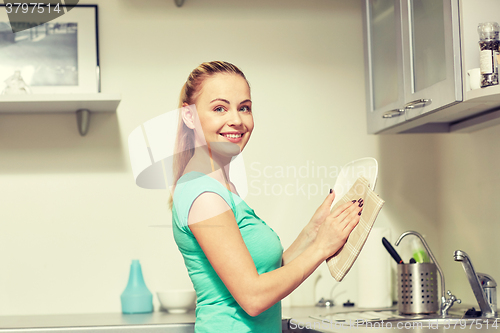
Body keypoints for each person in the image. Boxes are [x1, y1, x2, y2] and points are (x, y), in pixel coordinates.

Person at [170, 61, 363, 332]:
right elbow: (253, 297)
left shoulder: (222, 188)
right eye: (219, 108)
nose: (236, 120)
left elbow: (266, 276)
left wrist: (312, 232)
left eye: (244, 108)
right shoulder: (204, 195)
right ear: (189, 116)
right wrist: (321, 248)